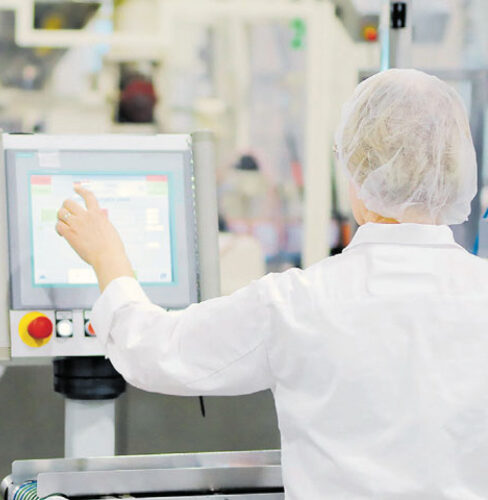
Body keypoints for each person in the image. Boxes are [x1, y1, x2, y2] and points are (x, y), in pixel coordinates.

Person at [55, 69, 486, 498]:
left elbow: (154, 349)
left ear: (358, 172)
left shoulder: (296, 304)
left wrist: (106, 256)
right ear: (453, 169)